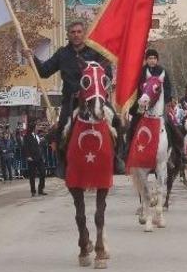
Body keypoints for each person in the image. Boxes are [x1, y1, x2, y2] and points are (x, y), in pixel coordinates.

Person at [21, 20, 123, 175]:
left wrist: (98, 86)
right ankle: (63, 163)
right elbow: (44, 71)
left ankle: (117, 158)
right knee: (61, 128)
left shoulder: (95, 51)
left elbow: (107, 74)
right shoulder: (62, 53)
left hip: (94, 99)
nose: (76, 35)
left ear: (84, 33)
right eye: (73, 32)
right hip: (71, 100)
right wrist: (31, 58)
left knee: (116, 121)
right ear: (68, 35)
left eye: (79, 32)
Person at [23, 122, 47, 196]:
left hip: (39, 158)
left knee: (43, 173)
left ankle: (41, 189)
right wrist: (28, 156)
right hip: (32, 158)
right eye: (37, 126)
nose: (38, 127)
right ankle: (33, 191)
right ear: (33, 127)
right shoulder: (27, 136)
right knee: (32, 176)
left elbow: (40, 146)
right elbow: (25, 147)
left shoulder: (38, 136)